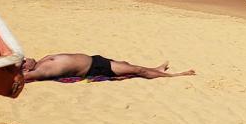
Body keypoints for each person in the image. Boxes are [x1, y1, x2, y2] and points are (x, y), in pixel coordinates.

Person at [21, 53, 194, 81]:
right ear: (26, 69)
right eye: (23, 62)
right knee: (136, 71)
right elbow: (22, 79)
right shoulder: (40, 70)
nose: (26, 59)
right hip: (94, 68)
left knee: (126, 64)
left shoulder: (41, 61)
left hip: (95, 59)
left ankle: (156, 69)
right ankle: (174, 76)